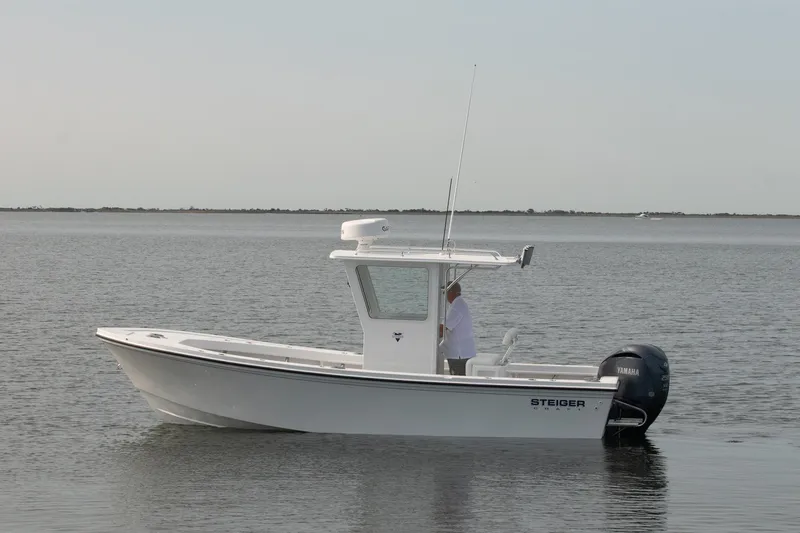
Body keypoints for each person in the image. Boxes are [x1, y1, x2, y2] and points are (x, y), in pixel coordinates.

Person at [439, 281, 476, 375]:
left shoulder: (456, 307)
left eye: (445, 292)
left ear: (451, 292)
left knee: (459, 381)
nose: (445, 296)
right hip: (463, 353)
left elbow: (442, 329)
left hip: (459, 355)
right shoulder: (460, 304)